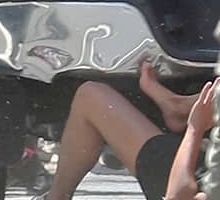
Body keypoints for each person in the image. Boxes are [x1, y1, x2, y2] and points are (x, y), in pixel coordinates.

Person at [43, 62, 211, 200]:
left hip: (197, 174)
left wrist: (194, 133)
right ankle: (181, 107)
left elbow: (178, 195)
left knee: (90, 96)